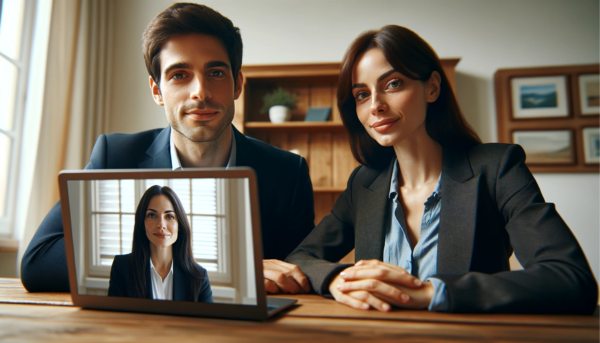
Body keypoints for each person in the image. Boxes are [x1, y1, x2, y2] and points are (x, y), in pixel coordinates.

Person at [286, 25, 598, 314]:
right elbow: (300, 260)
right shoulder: (363, 184)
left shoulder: (498, 168)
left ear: (432, 87)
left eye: (392, 84)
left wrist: (430, 292)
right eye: (362, 94)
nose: (375, 106)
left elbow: (571, 278)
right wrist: (337, 280)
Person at [22, 3, 312, 295]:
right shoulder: (116, 156)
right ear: (157, 91)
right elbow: (38, 262)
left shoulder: (289, 174)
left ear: (237, 84)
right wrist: (212, 268)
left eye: (216, 73)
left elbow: (300, 273)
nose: (200, 90)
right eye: (179, 75)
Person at [108, 185, 212, 302]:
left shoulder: (198, 277)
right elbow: (115, 319)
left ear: (179, 225)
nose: (161, 225)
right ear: (142, 223)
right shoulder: (122, 268)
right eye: (152, 215)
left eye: (169, 216)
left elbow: (208, 320)